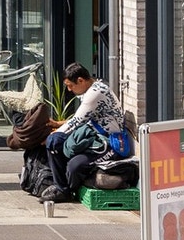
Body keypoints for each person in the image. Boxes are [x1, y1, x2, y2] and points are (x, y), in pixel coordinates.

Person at [41, 63, 128, 202]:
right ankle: (61, 187)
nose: (69, 90)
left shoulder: (96, 93)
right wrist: (57, 125)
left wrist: (52, 135)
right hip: (92, 138)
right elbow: (82, 117)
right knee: (56, 146)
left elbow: (76, 121)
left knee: (72, 164)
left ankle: (66, 190)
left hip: (110, 144)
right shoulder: (91, 88)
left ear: (81, 80)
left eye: (71, 85)